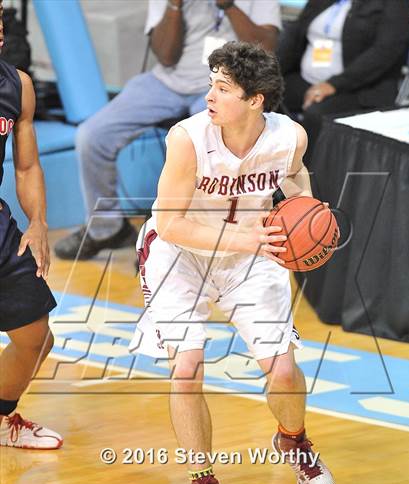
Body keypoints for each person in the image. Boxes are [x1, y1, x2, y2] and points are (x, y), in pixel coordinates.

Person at [134, 41, 335, 484]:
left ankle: (294, 440)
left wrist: (306, 217)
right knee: (186, 369)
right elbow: (168, 222)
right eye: (210, 84)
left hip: (252, 253)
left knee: (284, 369)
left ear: (256, 100)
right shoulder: (187, 139)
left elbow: (295, 181)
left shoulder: (290, 137)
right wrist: (245, 236)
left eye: (223, 88)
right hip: (179, 254)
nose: (210, 96)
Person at [54, 0, 281, 261]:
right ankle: (106, 230)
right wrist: (174, 6)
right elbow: (165, 55)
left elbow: (268, 48)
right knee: (92, 135)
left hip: (227, 86)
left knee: (208, 138)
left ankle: (185, 239)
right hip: (167, 82)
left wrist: (229, 6)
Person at [0, 2, 62, 449]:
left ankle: (2, 419)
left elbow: (26, 167)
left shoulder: (16, 85)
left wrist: (37, 222)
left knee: (37, 338)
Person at [277, 0, 409, 157]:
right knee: (261, 94)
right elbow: (295, 35)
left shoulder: (396, 5)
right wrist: (271, 73)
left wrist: (334, 84)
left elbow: (384, 53)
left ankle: (304, 174)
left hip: (359, 89)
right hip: (307, 79)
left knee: (317, 114)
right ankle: (262, 164)